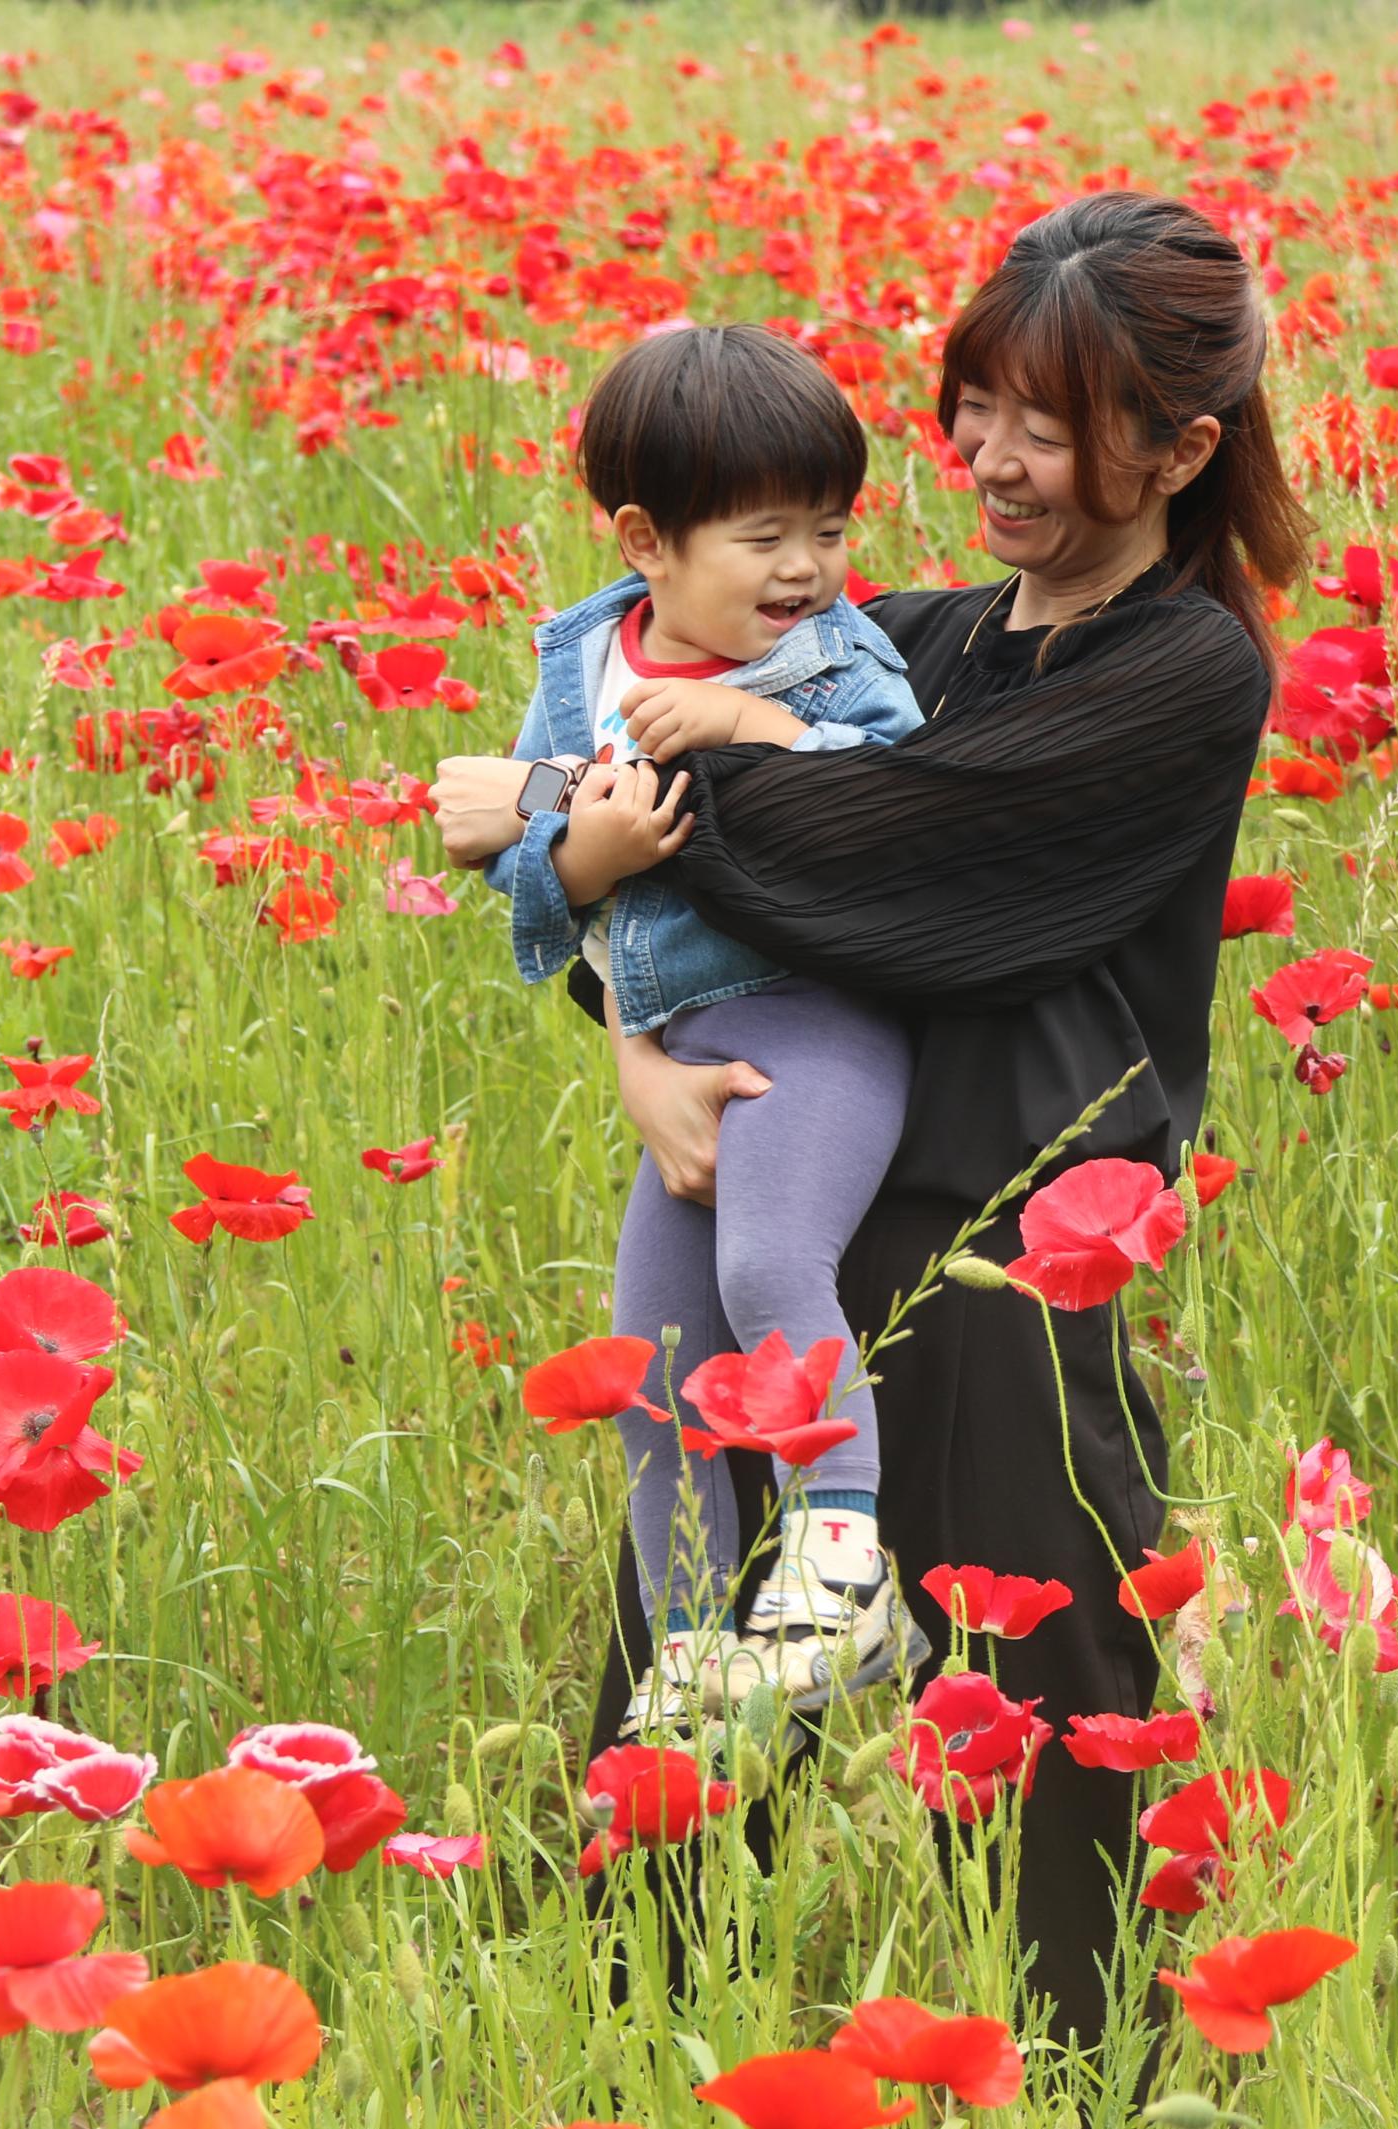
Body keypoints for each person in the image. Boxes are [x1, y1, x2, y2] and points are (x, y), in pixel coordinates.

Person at [437, 188, 1304, 2044]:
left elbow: (882, 856)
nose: (987, 457)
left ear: (1181, 448)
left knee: (1052, 1708)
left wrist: (528, 800)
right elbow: (680, 907)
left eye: (1046, 423)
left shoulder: (1183, 673)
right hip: (794, 1221)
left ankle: (1082, 2079)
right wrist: (626, 1042)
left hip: (1006, 1249)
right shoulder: (908, 633)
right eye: (972, 404)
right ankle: (615, 2048)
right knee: (677, 1680)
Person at [459, 324, 930, 1738]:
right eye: (763, 535)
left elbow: (906, 794)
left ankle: (840, 1562)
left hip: (820, 1020)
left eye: (831, 529)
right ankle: (689, 1652)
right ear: (646, 542)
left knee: (774, 1261)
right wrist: (573, 856)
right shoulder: (579, 659)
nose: (806, 567)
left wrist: (757, 728)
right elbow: (538, 883)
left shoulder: (836, 663)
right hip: (675, 1035)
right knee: (649, 1360)